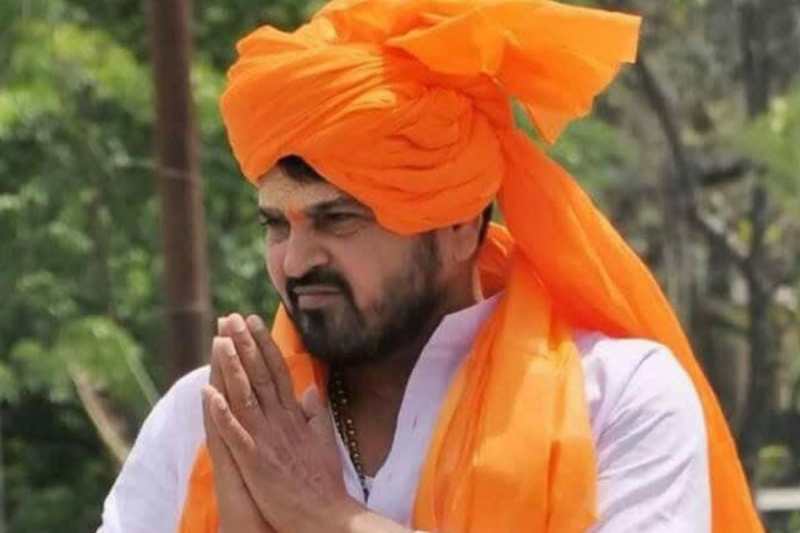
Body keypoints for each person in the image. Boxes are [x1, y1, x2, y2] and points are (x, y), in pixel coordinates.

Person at [99, 0, 763, 532]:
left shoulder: (616, 398)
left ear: (458, 224)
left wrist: (326, 516)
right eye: (276, 224)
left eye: (338, 219)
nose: (296, 261)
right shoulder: (210, 419)